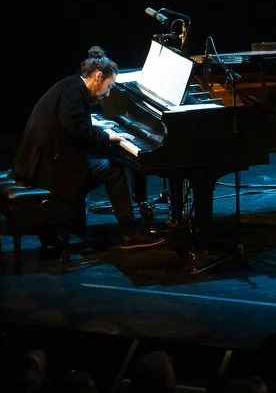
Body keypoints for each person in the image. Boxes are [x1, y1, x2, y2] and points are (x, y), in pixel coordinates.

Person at [11, 46, 163, 251]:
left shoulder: (72, 85)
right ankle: (129, 232)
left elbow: (73, 122)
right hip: (49, 164)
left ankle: (70, 223)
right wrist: (106, 134)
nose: (108, 93)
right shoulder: (75, 93)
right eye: (109, 86)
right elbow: (74, 125)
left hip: (48, 154)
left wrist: (99, 129)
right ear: (98, 76)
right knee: (114, 170)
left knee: (108, 158)